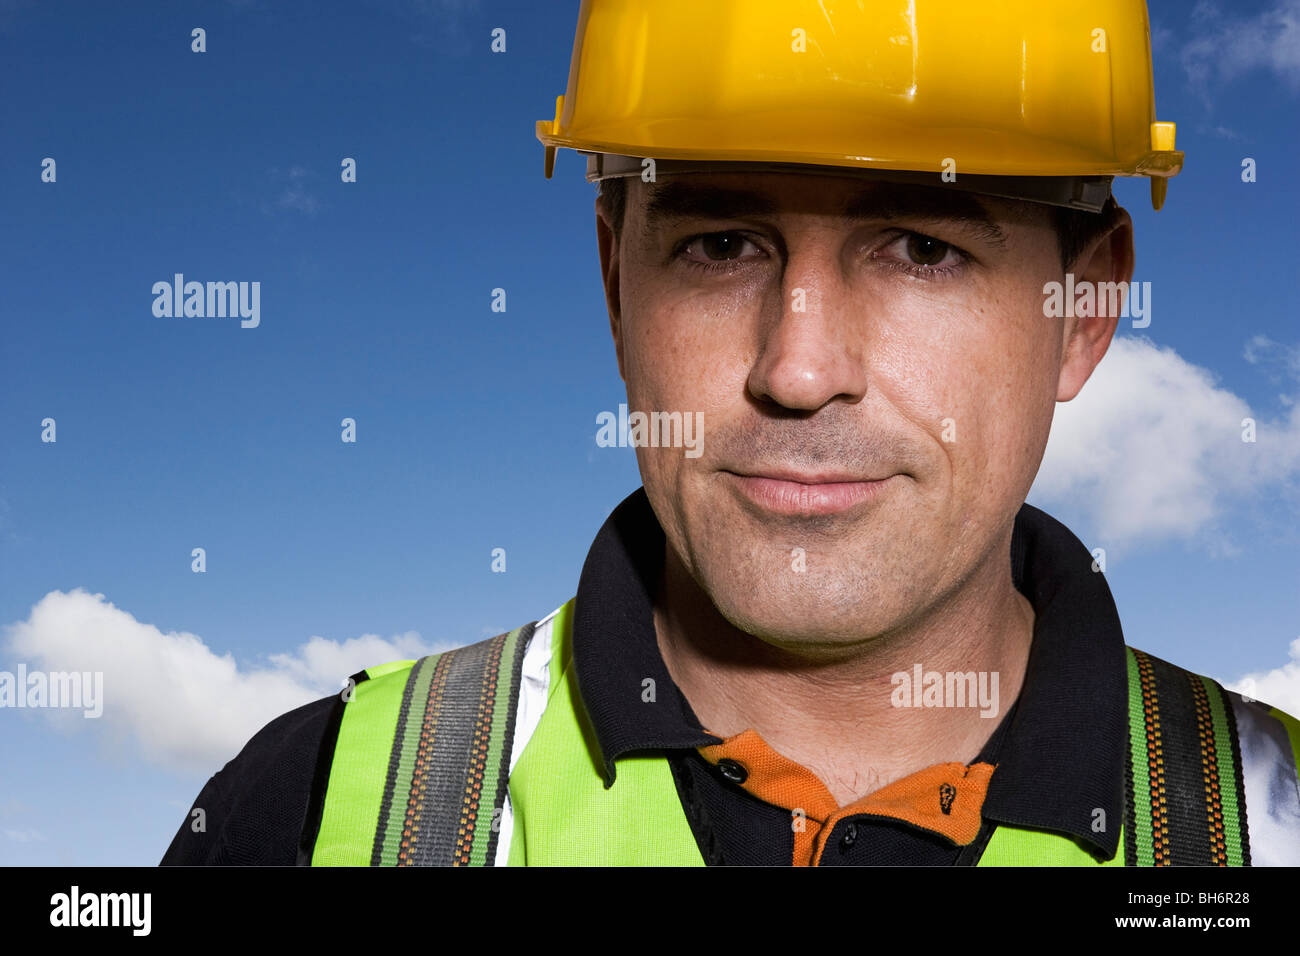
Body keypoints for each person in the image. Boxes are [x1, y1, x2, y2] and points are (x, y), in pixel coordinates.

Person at [162, 0, 1300, 867]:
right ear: (616, 281)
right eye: (721, 246)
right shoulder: (311, 813)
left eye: (920, 247)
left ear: (1083, 308)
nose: (798, 371)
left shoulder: (1272, 817)